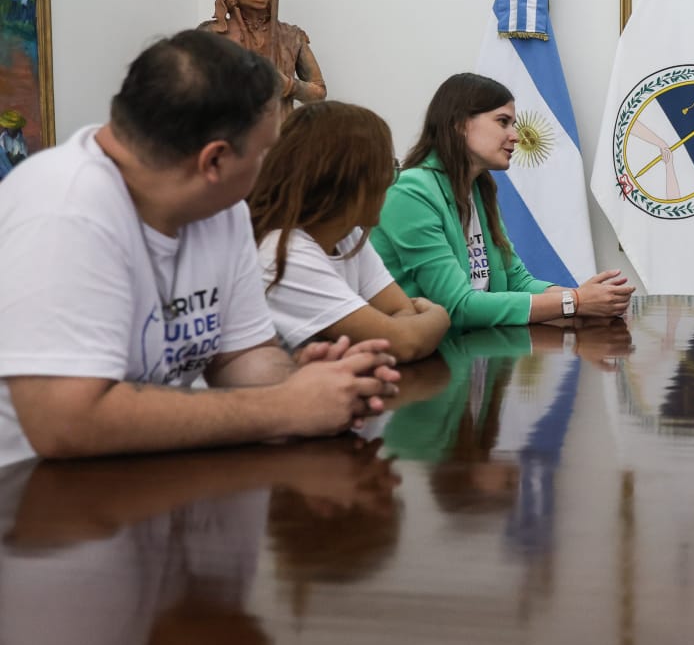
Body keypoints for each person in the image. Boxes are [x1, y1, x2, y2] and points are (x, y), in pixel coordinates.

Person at [0, 30, 398, 468]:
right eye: (265, 151)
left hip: (146, 483)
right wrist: (286, 407)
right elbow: (65, 423)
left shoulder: (219, 208)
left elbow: (243, 355)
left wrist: (309, 380)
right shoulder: (63, 211)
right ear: (215, 161)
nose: (271, 166)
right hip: (33, 501)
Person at [372, 72, 634, 329]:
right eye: (502, 122)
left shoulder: (479, 188)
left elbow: (516, 281)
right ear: (460, 123)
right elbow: (456, 307)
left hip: (475, 352)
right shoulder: (410, 193)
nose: (516, 136)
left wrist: (593, 299)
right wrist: (574, 302)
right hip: (421, 362)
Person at [249, 101, 450, 362]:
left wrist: (392, 332)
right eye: (385, 168)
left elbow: (400, 312)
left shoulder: (348, 235)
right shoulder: (285, 253)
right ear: (348, 177)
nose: (389, 182)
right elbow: (404, 343)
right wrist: (440, 317)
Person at [199, 0, 327, 109]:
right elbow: (193, 86)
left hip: (279, 128)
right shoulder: (211, 34)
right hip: (230, 127)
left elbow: (319, 93)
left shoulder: (292, 36)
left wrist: (288, 85)